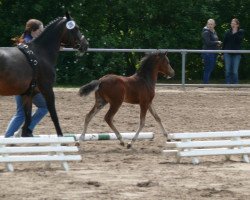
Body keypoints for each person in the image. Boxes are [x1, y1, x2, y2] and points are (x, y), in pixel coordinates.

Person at [5, 19, 48, 138]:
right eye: (41, 30)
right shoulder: (29, 43)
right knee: (38, 109)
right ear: (34, 31)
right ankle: (19, 133)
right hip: (25, 85)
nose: (42, 32)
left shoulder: (26, 41)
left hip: (26, 85)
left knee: (28, 111)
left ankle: (14, 136)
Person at [223, 18, 244, 84]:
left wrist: (235, 32)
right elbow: (224, 43)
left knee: (235, 71)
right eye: (232, 23)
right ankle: (228, 83)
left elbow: (239, 40)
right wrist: (222, 54)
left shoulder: (241, 31)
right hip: (227, 53)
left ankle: (235, 84)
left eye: (234, 24)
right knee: (228, 70)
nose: (233, 25)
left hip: (237, 54)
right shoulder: (227, 32)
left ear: (237, 25)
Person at [201, 19, 222, 84]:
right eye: (209, 24)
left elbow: (214, 42)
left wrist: (218, 44)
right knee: (208, 68)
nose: (210, 25)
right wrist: (217, 42)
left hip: (214, 53)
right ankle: (205, 83)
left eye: (211, 24)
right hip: (208, 53)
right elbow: (208, 43)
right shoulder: (206, 32)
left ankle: (205, 83)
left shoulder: (214, 32)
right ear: (207, 24)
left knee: (210, 68)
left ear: (214, 25)